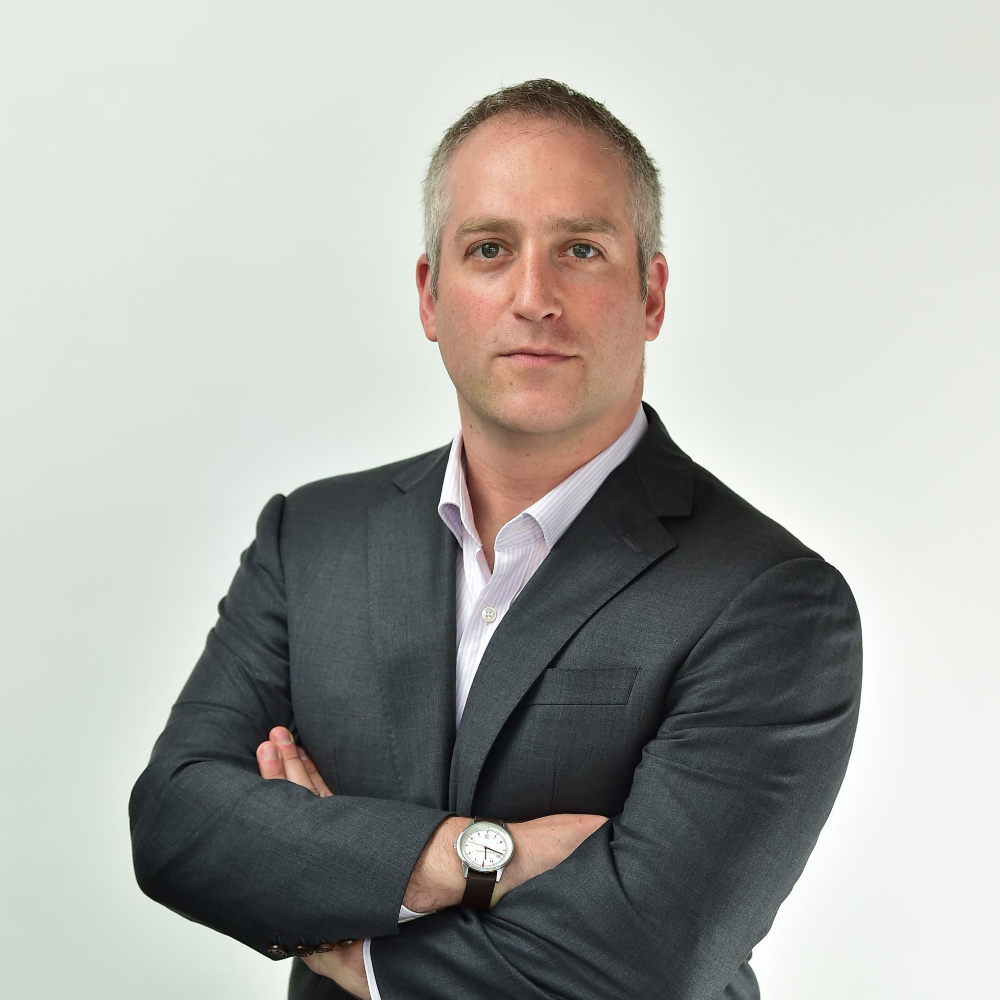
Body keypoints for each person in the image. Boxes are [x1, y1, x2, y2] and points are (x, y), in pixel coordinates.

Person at [129, 79, 862, 1000]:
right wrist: (475, 859)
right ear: (432, 297)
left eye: (581, 250)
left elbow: (646, 962)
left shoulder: (773, 598)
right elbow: (175, 823)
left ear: (653, 294)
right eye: (488, 249)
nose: (533, 298)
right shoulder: (308, 539)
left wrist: (348, 941)